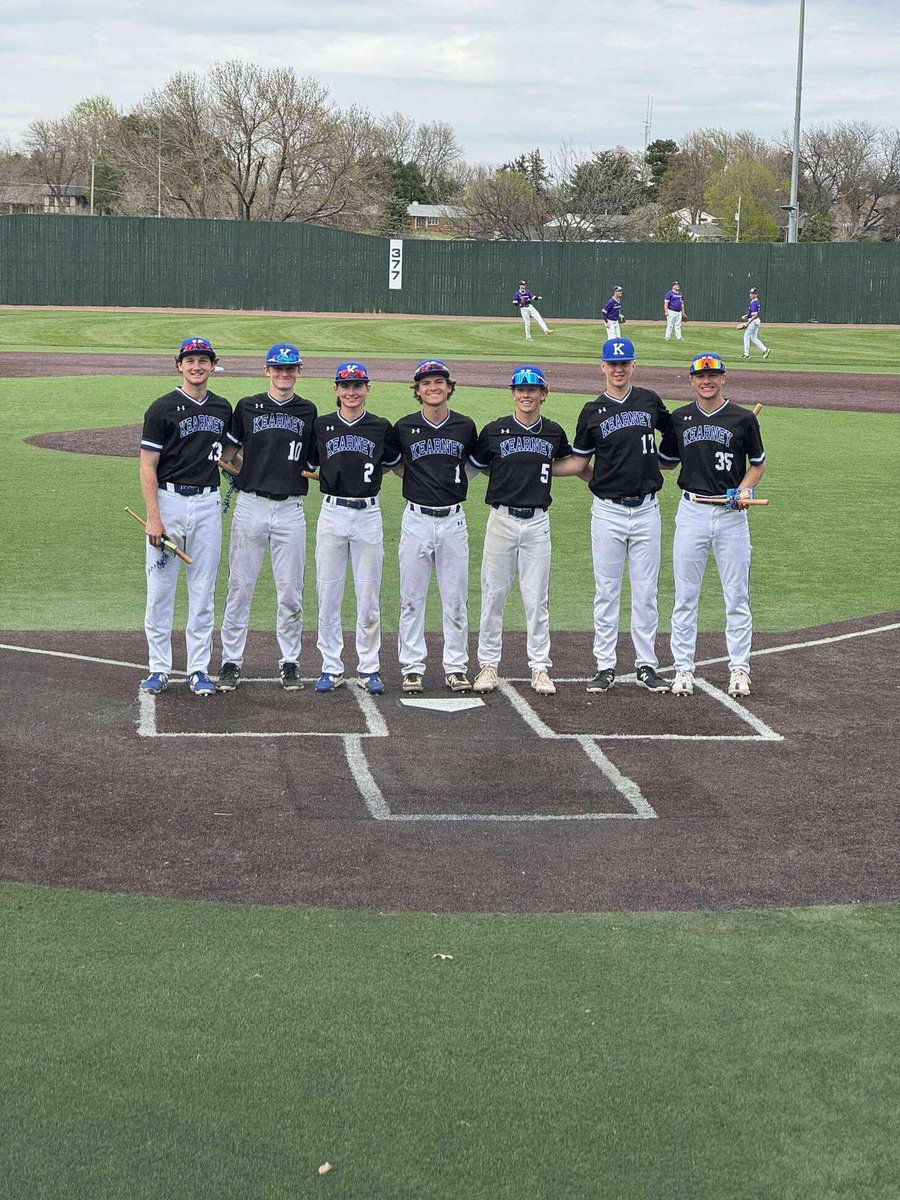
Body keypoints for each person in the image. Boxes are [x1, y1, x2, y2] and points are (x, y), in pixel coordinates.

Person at [553, 337, 672, 693]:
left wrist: (660, 463)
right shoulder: (592, 411)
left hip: (647, 509)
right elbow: (579, 462)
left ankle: (646, 664)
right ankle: (604, 665)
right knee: (606, 590)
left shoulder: (650, 400)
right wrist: (534, 464)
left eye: (625, 364)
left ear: (633, 365)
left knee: (646, 591)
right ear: (602, 367)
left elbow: (675, 438)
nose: (618, 369)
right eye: (612, 364)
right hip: (607, 511)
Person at [658, 352, 766, 699]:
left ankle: (739, 669)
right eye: (700, 376)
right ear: (691, 380)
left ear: (724, 378)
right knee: (685, 597)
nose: (707, 381)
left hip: (732, 515)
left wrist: (745, 488)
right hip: (692, 511)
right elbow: (666, 463)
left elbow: (758, 464)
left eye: (713, 375)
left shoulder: (743, 418)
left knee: (736, 595)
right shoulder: (680, 418)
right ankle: (683, 669)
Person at [216, 344, 317, 693]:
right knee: (240, 587)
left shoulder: (308, 411)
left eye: (290, 369)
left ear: (299, 372)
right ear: (266, 370)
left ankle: (290, 662)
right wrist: (243, 475)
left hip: (290, 509)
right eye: (278, 368)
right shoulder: (247, 406)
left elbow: (313, 462)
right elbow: (226, 455)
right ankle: (231, 661)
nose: (284, 374)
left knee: (290, 591)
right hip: (251, 505)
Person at [469, 365, 574, 696]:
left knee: (536, 597)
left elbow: (569, 463)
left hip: (537, 521)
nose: (526, 394)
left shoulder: (553, 432)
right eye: (520, 389)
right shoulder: (495, 430)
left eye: (532, 389)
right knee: (493, 594)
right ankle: (488, 665)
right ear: (512, 393)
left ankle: (540, 667)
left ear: (544, 394)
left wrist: (599, 476)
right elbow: (477, 465)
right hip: (501, 519)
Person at [138, 337, 231, 697]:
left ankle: (197, 669)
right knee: (160, 591)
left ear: (213, 365)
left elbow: (230, 457)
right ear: (179, 365)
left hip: (207, 504)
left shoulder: (223, 408)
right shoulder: (161, 408)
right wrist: (153, 517)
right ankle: (158, 667)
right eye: (190, 360)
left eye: (203, 361)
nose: (197, 366)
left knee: (203, 591)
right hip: (169, 501)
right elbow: (148, 466)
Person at [309, 362, 401, 695]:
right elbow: (308, 463)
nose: (351, 391)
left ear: (367, 389)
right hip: (332, 513)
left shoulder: (380, 427)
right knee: (328, 593)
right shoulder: (321, 425)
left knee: (368, 595)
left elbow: (388, 466)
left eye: (358, 385)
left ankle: (369, 667)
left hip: (367, 514)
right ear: (335, 390)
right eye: (345, 386)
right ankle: (330, 666)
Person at [393, 359, 479, 694]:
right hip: (415, 519)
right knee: (411, 597)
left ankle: (456, 667)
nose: (433, 387)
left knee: (455, 598)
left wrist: (451, 484)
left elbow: (472, 466)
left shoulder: (465, 426)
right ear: (417, 390)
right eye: (426, 383)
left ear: (449, 387)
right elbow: (397, 466)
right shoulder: (403, 427)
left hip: (453, 520)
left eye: (439, 382)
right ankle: (412, 667)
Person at [740, 287, 770, 360]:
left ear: (756, 295)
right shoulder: (755, 302)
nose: (751, 294)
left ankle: (746, 354)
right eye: (750, 293)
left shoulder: (754, 303)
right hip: (756, 321)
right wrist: (746, 315)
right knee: (754, 338)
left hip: (753, 321)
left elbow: (754, 315)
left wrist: (747, 323)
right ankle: (765, 350)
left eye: (753, 293)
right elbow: (753, 314)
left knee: (746, 337)